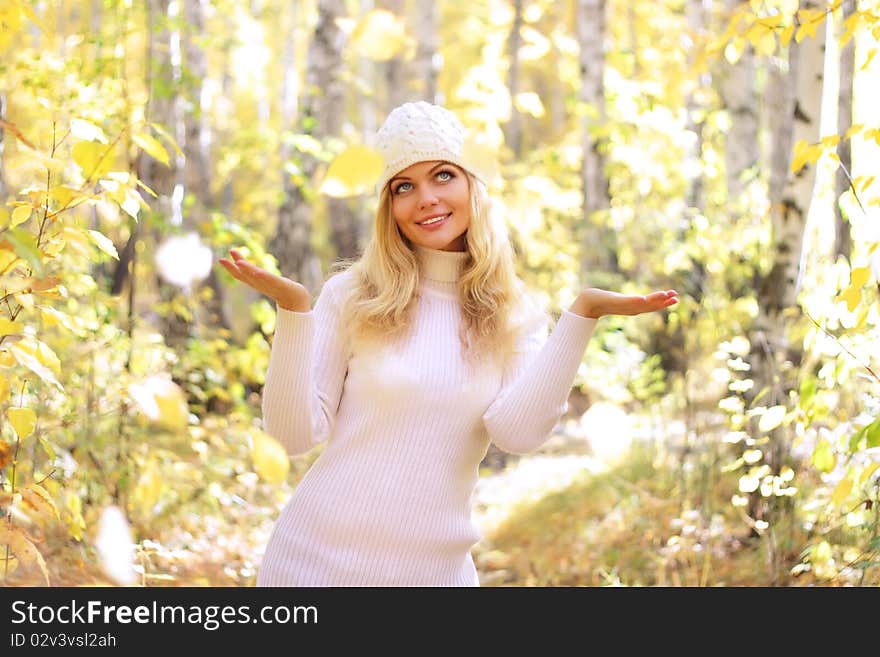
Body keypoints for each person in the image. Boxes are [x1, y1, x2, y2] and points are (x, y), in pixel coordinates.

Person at [218, 101, 678, 587]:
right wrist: (294, 313)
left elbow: (518, 434)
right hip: (315, 567)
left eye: (442, 175)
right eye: (404, 187)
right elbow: (292, 436)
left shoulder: (515, 311)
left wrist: (582, 316)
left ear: (472, 185)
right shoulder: (352, 295)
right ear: (389, 207)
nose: (426, 199)